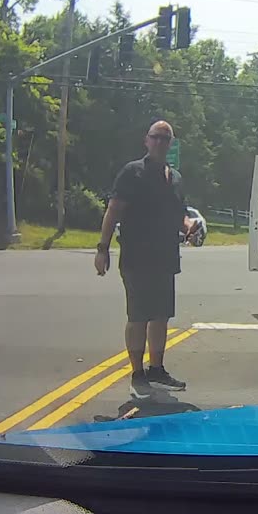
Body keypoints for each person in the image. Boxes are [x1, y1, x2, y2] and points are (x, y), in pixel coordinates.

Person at [94, 121, 193, 400]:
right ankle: (137, 374)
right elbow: (113, 211)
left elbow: (180, 215)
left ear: (171, 144)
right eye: (156, 137)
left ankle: (157, 369)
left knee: (161, 316)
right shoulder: (132, 172)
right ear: (146, 141)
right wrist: (102, 249)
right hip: (136, 256)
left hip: (165, 256)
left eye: (166, 138)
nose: (160, 142)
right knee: (138, 316)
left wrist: (189, 227)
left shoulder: (174, 178)